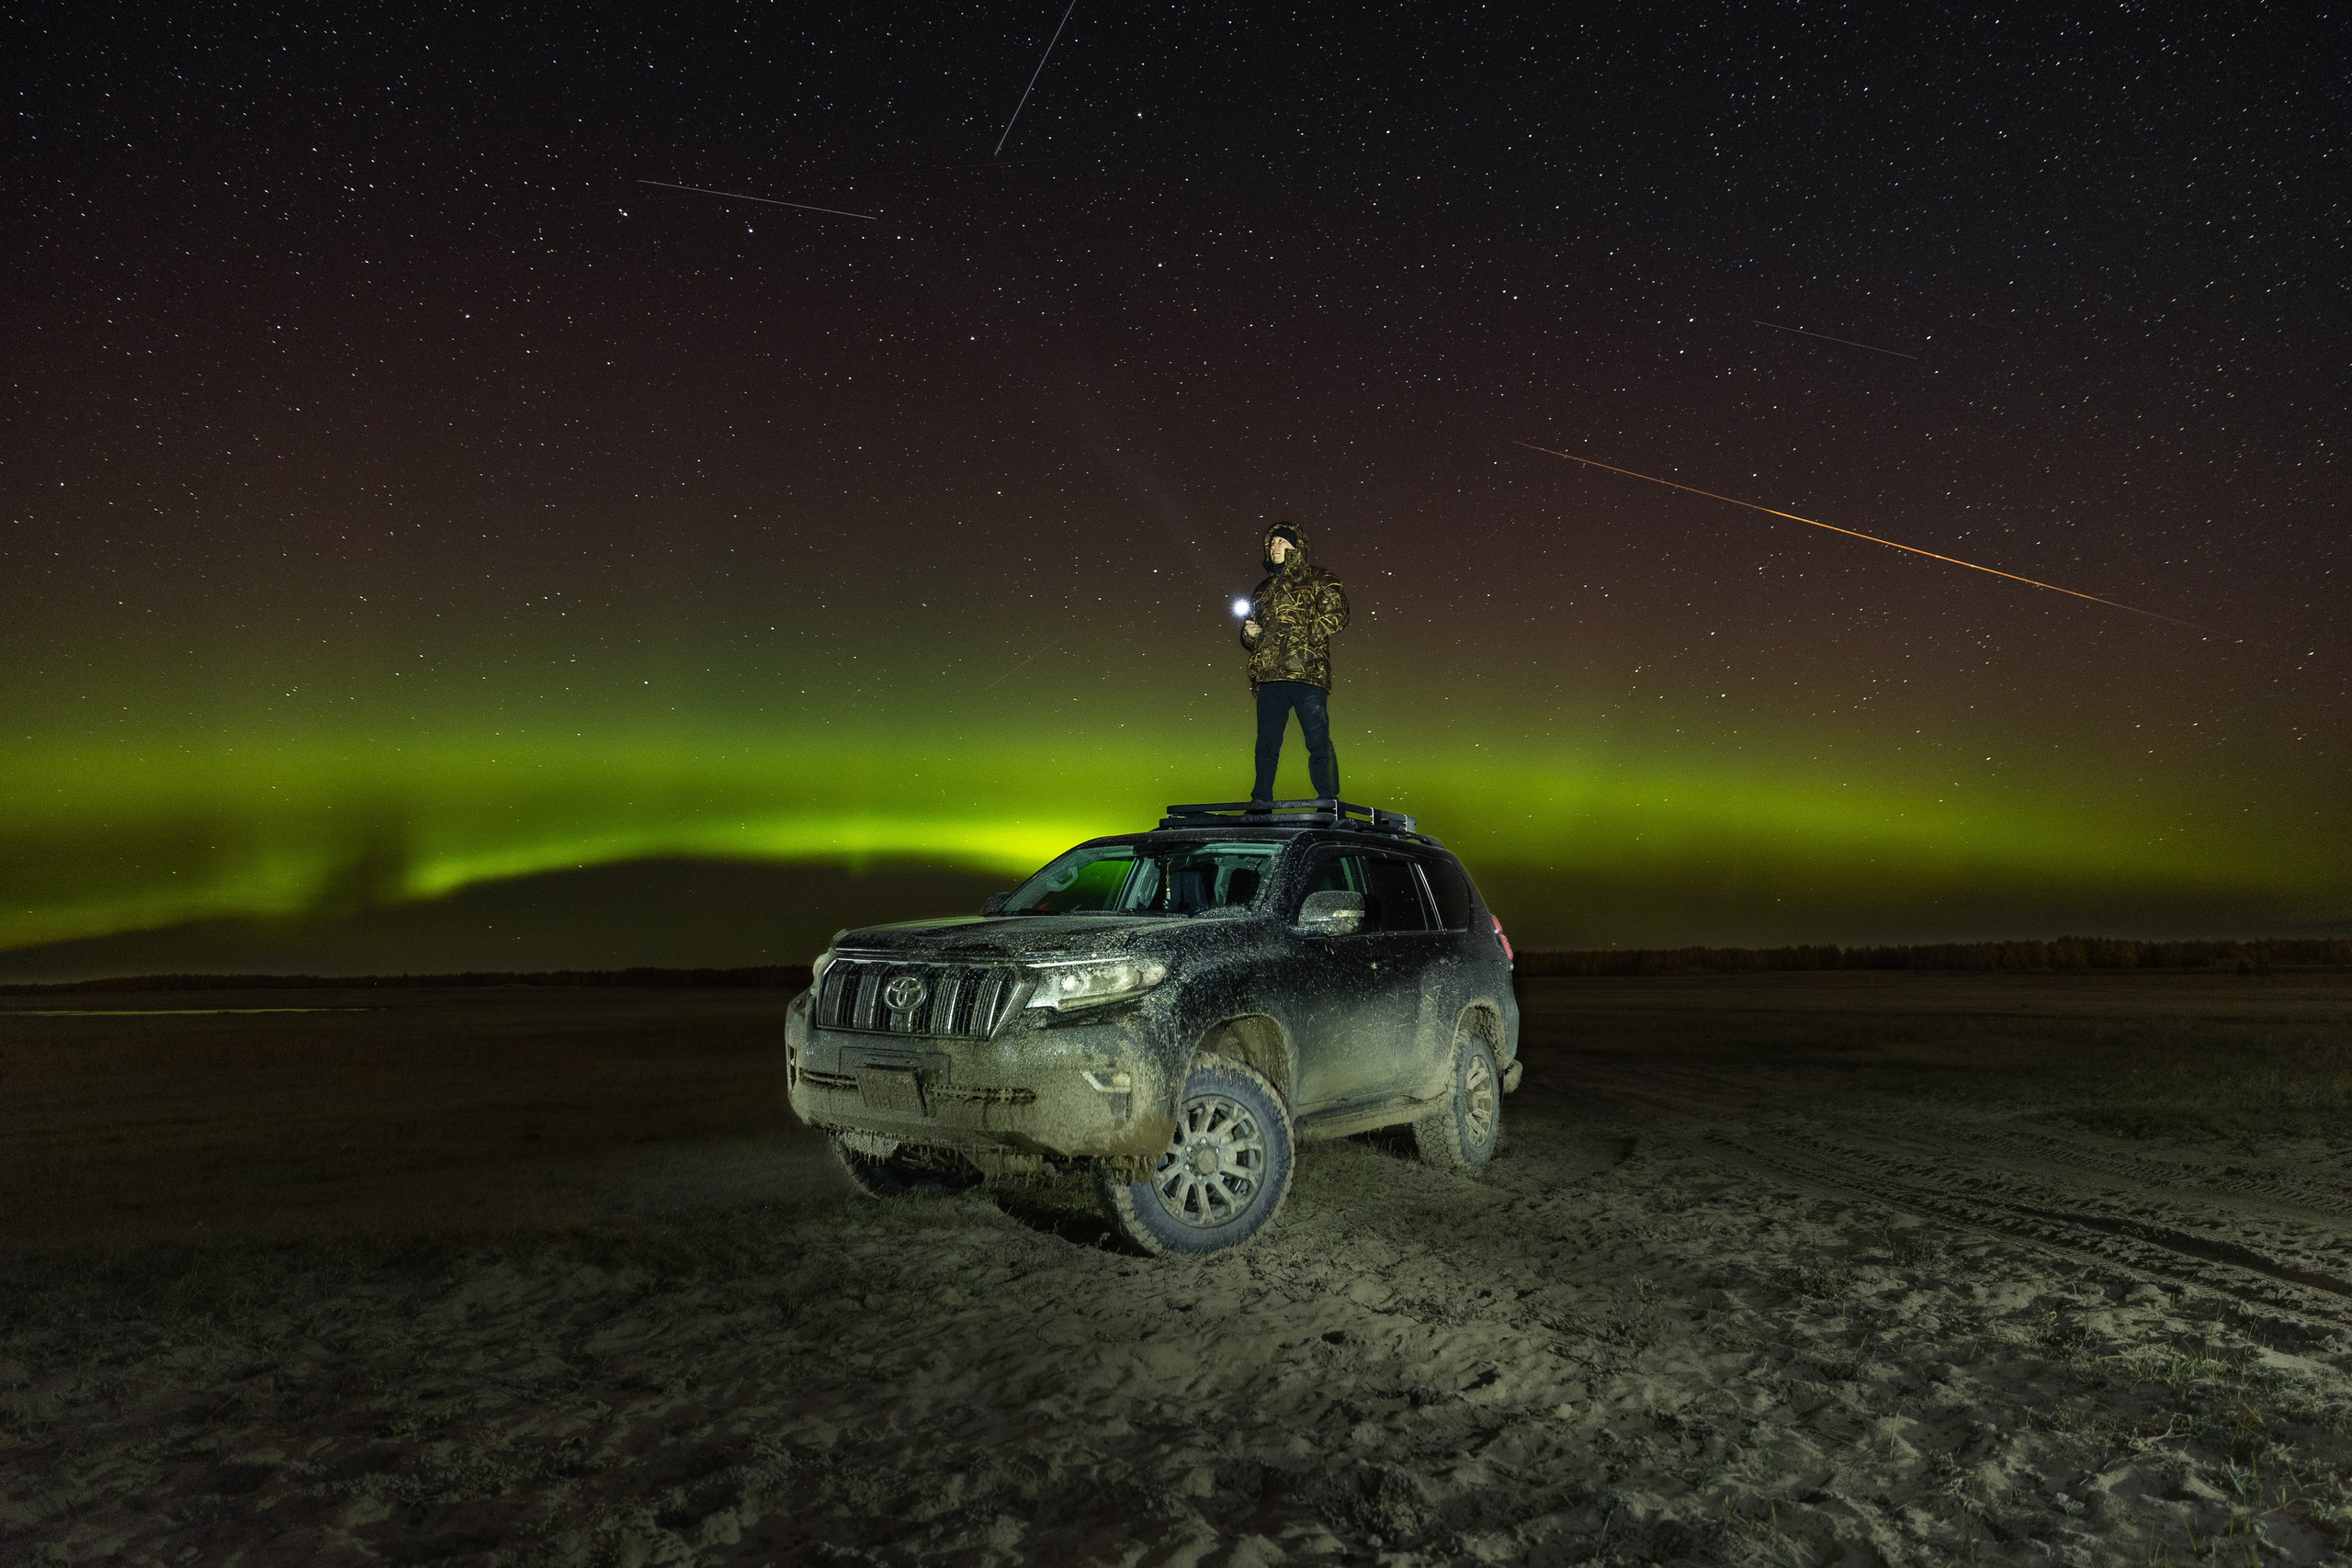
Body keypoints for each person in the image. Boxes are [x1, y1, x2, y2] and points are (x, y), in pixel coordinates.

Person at [1239, 522, 1350, 807]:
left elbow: (1337, 614)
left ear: (1296, 546)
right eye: (1271, 542)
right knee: (1266, 744)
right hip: (1270, 675)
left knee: (1317, 740)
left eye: (1280, 541)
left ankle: (1328, 800)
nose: (1273, 546)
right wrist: (1250, 635)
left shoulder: (1318, 578)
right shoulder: (1263, 589)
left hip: (1307, 673)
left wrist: (1301, 638)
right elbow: (1254, 631)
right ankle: (1260, 801)